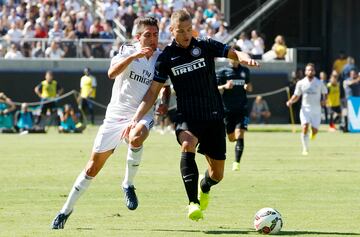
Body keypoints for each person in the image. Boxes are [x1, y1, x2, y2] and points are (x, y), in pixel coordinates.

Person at [122, 9, 259, 221]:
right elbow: (152, 92)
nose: (186, 35)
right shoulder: (166, 58)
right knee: (188, 144)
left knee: (217, 175)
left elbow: (233, 52)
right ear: (171, 30)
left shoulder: (204, 44)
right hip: (187, 115)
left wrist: (245, 58)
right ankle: (192, 202)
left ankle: (204, 188)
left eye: (189, 30)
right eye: (181, 31)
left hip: (213, 115)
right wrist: (136, 117)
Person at [51, 17, 164, 229]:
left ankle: (128, 184)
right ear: (138, 37)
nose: (152, 39)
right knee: (92, 168)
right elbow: (111, 73)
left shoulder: (161, 57)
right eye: (148, 35)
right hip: (115, 115)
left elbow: (155, 91)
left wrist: (149, 110)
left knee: (137, 135)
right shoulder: (126, 50)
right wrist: (134, 55)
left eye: (156, 34)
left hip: (142, 112)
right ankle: (65, 211)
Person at [216, 46, 253, 171]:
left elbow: (249, 86)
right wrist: (225, 86)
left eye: (237, 56)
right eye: (233, 56)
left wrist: (248, 87)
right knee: (231, 138)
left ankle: (236, 163)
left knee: (240, 134)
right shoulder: (222, 72)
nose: (235, 59)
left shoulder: (245, 71)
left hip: (242, 109)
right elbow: (214, 89)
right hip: (227, 110)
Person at [286, 63, 328, 155]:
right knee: (304, 127)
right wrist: (290, 101)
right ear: (305, 72)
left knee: (315, 130)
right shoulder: (301, 83)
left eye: (312, 70)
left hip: (316, 110)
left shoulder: (319, 83)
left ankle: (313, 133)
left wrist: (324, 100)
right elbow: (296, 95)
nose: (310, 71)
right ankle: (305, 149)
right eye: (308, 70)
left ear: (314, 72)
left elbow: (325, 93)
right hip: (305, 109)